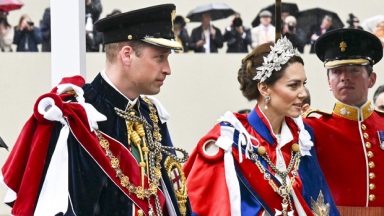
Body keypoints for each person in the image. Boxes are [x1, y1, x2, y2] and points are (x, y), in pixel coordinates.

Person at [1, 4, 192, 216]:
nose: (168, 69)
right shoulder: (78, 118)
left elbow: (174, 200)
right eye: (160, 57)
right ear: (127, 55)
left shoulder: (152, 115)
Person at [184, 37, 339, 215]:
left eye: (304, 84)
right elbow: (204, 207)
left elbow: (321, 203)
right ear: (264, 88)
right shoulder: (229, 140)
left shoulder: (302, 136)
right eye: (293, 85)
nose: (303, 93)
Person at [304, 29, 384, 214]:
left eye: (354, 70)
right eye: (336, 71)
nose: (344, 77)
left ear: (372, 79)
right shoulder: (312, 127)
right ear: (328, 82)